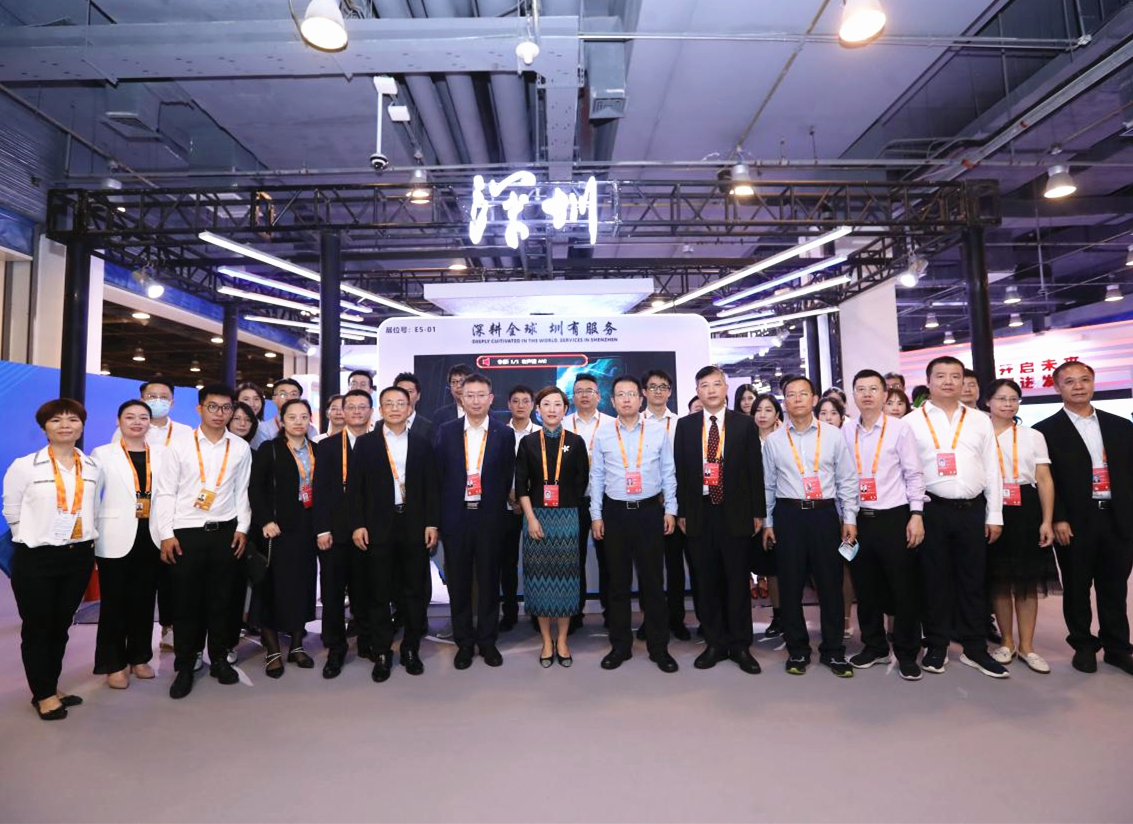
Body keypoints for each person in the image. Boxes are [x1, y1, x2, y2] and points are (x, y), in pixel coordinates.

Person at [905, 356, 1008, 678]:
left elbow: (992, 468)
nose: (948, 381)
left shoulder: (979, 420)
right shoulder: (911, 421)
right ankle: (936, 645)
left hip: (972, 510)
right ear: (928, 382)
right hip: (931, 510)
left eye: (955, 376)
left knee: (973, 581)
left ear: (964, 381)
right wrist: (913, 513)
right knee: (934, 581)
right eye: (941, 376)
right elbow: (906, 472)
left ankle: (975, 648)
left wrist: (995, 514)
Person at [152, 384, 252, 699]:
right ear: (199, 409)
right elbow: (165, 492)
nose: (220, 413)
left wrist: (243, 528)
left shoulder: (239, 447)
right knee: (186, 603)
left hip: (225, 533)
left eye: (226, 408)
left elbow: (242, 491)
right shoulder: (178, 446)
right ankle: (185, 664)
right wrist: (166, 534)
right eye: (213, 407)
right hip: (186, 533)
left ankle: (219, 658)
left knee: (222, 600)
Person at [1034, 361, 1133, 676]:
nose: (1078, 386)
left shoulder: (1121, 426)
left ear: (1093, 383)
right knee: (1077, 587)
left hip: (1118, 518)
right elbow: (1047, 480)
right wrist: (1058, 517)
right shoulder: (1045, 430)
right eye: (1070, 381)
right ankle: (1083, 646)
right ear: (1057, 387)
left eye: (1084, 379)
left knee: (1114, 587)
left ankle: (1118, 648)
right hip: (1075, 522)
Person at [4, 399, 101, 720]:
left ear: (81, 426)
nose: (65, 425)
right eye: (56, 420)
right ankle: (43, 694)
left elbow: (93, 509)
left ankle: (49, 686)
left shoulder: (91, 467)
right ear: (44, 427)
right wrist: (32, 538)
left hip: (77, 557)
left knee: (60, 626)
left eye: (72, 419)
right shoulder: (25, 466)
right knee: (38, 627)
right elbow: (12, 510)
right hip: (37, 558)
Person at [761, 375, 858, 677]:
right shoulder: (774, 440)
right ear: (785, 402)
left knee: (830, 585)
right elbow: (767, 485)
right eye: (791, 395)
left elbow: (847, 479)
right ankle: (798, 650)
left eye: (803, 394)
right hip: (788, 516)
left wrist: (850, 518)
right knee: (790, 586)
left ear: (814, 399)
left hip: (824, 515)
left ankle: (833, 651)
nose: (797, 399)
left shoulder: (833, 435)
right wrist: (768, 522)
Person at [674, 366, 765, 674]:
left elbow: (755, 469)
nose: (711, 390)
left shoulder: (744, 424)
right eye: (704, 385)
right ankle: (714, 642)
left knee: (737, 579)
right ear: (697, 391)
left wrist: (758, 512)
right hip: (699, 512)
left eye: (716, 384)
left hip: (735, 511)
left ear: (726, 388)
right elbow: (680, 473)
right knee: (706, 579)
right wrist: (682, 511)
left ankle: (740, 645)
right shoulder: (686, 426)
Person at [589, 375, 679, 674]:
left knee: (653, 583)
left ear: (641, 400)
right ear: (612, 401)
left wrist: (671, 510)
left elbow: (668, 472)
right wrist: (596, 515)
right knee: (617, 584)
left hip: (649, 512)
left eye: (631, 394)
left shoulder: (657, 431)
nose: (626, 399)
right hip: (615, 514)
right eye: (620, 394)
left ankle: (659, 647)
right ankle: (620, 646)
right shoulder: (603, 433)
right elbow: (597, 477)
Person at [350, 387, 440, 680]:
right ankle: (382, 652)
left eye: (400, 403)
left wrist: (431, 523)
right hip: (378, 526)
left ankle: (411, 648)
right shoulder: (366, 444)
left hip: (414, 524)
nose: (395, 408)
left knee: (414, 591)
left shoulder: (422, 443)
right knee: (379, 591)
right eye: (388, 403)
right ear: (380, 409)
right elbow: (356, 488)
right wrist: (358, 524)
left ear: (410, 408)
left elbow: (431, 487)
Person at [843, 370, 926, 681]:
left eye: (873, 389)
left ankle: (906, 652)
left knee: (904, 588)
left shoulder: (899, 429)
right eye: (860, 389)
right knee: (866, 588)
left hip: (894, 517)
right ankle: (874, 646)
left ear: (884, 394)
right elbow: (843, 478)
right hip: (858, 520)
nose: (867, 394)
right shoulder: (845, 431)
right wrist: (847, 518)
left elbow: (914, 474)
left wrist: (916, 514)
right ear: (853, 395)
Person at [434, 373, 515, 669]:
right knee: (459, 583)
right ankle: (464, 643)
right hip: (456, 518)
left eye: (482, 395)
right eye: (470, 395)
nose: (476, 401)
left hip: (490, 517)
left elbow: (506, 475)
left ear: (491, 398)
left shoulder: (504, 434)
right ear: (461, 397)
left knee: (489, 580)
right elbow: (439, 475)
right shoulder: (446, 431)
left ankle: (488, 641)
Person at [91, 401, 166, 690]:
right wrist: (90, 534)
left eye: (143, 417)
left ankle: (139, 657)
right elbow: (92, 497)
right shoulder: (103, 454)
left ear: (150, 422)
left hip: (151, 536)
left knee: (144, 601)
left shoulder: (161, 454)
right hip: (114, 536)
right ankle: (114, 663)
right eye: (130, 417)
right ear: (118, 420)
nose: (137, 422)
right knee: (114, 604)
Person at [984, 379, 1058, 673]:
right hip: (990, 506)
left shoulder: (1033, 435)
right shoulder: (979, 433)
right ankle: (1006, 642)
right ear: (988, 401)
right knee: (999, 581)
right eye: (1001, 398)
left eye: (1013, 399)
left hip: (1025, 507)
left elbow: (1044, 479)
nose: (1008, 404)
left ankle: (1027, 646)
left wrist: (1047, 520)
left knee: (1027, 582)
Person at [515, 387, 590, 667]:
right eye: (546, 404)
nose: (552, 409)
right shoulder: (528, 443)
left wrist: (566, 505)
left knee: (567, 581)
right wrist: (532, 518)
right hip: (536, 517)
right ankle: (547, 640)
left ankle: (563, 640)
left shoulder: (576, 441)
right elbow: (521, 485)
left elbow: (582, 481)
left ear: (565, 409)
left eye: (558, 404)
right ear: (538, 409)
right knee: (539, 581)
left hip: (567, 518)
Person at [249, 398, 319, 678]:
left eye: (304, 417)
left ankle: (297, 646)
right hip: (276, 530)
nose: (298, 422)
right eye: (292, 417)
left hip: (307, 528)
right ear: (281, 421)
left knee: (302, 587)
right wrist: (266, 520)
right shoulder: (271, 449)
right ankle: (273, 650)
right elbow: (255, 488)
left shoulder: (316, 450)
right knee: (272, 588)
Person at [314, 389, 375, 678]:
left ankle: (366, 641)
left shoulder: (380, 443)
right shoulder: (327, 446)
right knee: (333, 594)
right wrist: (322, 528)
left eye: (363, 407)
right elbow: (320, 490)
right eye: (351, 407)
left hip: (370, 532)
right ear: (342, 411)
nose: (357, 411)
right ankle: (335, 648)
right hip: (335, 533)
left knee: (367, 590)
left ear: (371, 412)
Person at [642, 368, 694, 640]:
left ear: (670, 391)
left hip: (676, 503)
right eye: (653, 386)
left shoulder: (681, 424)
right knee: (647, 567)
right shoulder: (634, 422)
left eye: (663, 387)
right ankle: (649, 619)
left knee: (674, 565)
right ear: (644, 392)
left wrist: (673, 499)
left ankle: (676, 618)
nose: (658, 391)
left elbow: (684, 464)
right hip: (646, 503)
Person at [563, 373, 613, 632]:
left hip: (606, 501)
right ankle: (574, 613)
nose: (584, 395)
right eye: (579, 391)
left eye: (589, 390)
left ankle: (611, 612)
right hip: (574, 502)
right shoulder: (562, 425)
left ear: (599, 395)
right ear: (572, 396)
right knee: (574, 560)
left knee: (610, 560)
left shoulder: (612, 424)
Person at [501, 385, 537, 632]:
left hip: (535, 508)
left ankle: (537, 612)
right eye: (516, 401)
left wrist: (525, 498)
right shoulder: (499, 433)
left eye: (526, 401)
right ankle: (510, 611)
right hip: (505, 507)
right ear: (508, 405)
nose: (521, 405)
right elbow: (494, 470)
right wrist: (510, 495)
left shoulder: (542, 433)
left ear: (533, 405)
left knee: (536, 562)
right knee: (507, 563)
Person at [750, 393, 784, 637]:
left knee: (782, 566)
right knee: (765, 565)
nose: (762, 415)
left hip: (780, 508)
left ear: (777, 414)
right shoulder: (747, 439)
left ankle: (787, 614)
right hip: (753, 511)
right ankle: (777, 616)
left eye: (768, 410)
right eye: (758, 410)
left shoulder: (785, 439)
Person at [252, 379, 318, 446]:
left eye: (293, 394)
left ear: (299, 399)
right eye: (283, 394)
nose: (289, 398)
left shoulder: (310, 429)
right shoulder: (263, 429)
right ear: (274, 399)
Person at [395, 371, 435, 442]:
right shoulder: (383, 425)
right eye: (401, 391)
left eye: (410, 391)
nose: (405, 395)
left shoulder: (428, 427)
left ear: (418, 396)